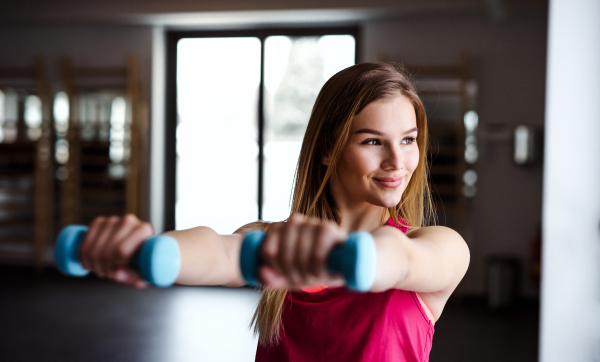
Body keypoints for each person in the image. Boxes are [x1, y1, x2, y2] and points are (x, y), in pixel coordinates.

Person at [78, 62, 470, 361]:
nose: (397, 162)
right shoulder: (278, 244)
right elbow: (220, 250)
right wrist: (145, 251)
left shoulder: (439, 246)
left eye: (408, 140)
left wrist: (343, 256)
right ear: (327, 150)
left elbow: (398, 258)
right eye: (372, 142)